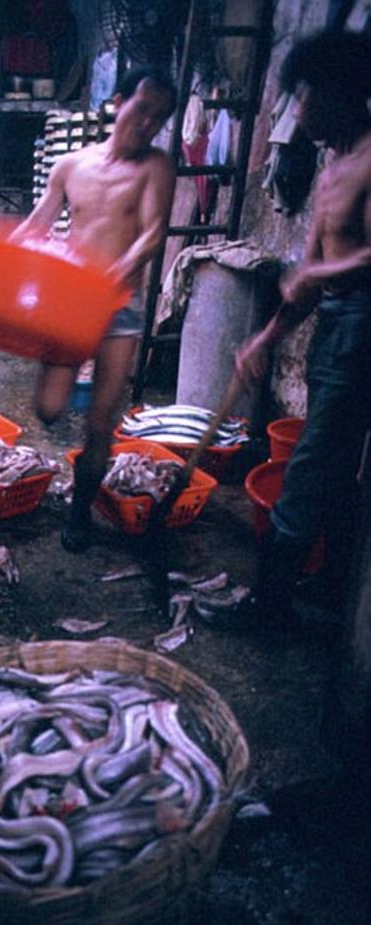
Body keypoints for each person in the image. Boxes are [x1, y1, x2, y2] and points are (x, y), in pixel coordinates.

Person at [10, 66, 177, 551]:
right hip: (70, 304)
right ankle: (76, 478)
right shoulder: (71, 166)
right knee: (48, 408)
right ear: (119, 101)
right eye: (142, 110)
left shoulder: (156, 167)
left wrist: (110, 278)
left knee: (102, 420)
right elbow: (39, 223)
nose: (148, 125)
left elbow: (152, 234)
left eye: (159, 119)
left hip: (119, 308)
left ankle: (80, 511)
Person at [235, 29, 371, 622]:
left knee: (314, 464)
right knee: (337, 470)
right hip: (336, 321)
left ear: (341, 93)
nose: (296, 111)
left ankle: (268, 604)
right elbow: (313, 273)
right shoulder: (330, 166)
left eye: (303, 96)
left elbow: (349, 264)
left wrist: (314, 274)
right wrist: (264, 340)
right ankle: (329, 588)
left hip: (364, 325)